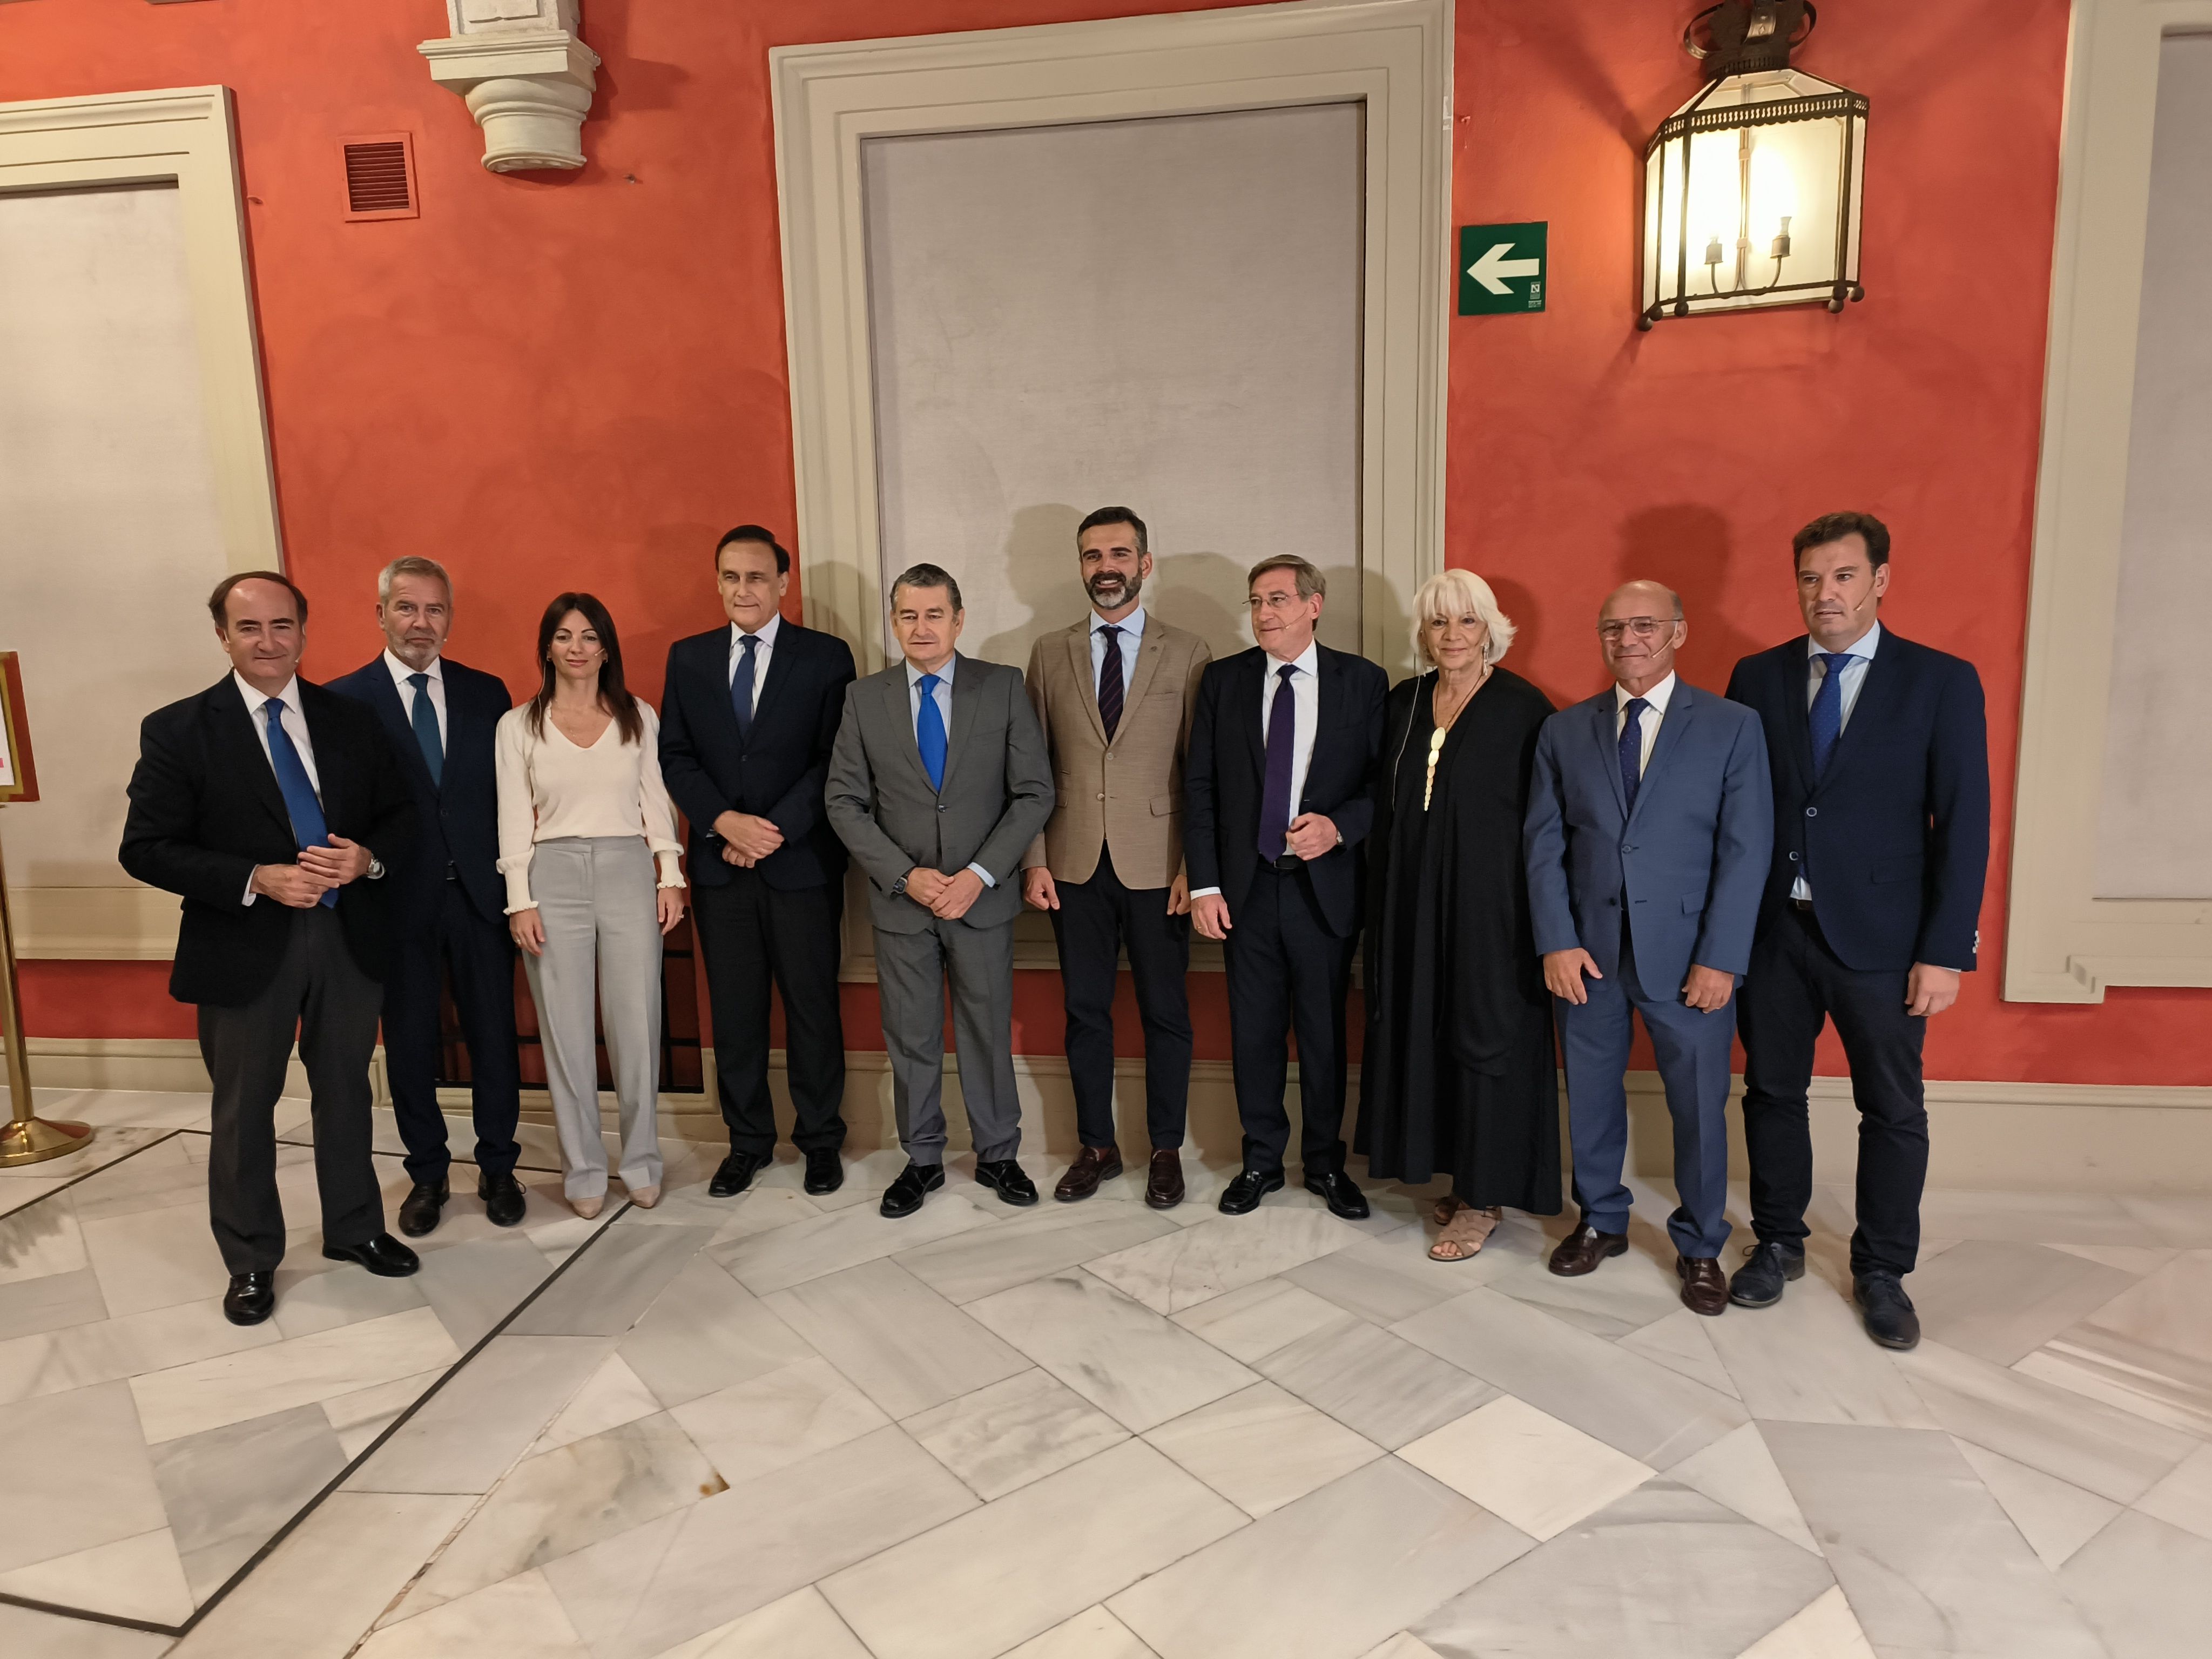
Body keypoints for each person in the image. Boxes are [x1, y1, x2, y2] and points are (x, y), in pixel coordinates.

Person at [120, 571, 420, 1327]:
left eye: (282, 625)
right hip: (244, 943)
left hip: (347, 937)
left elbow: (401, 816)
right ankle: (251, 1259)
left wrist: (368, 860)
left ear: (303, 633)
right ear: (222, 636)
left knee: (346, 1091)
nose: (267, 642)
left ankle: (354, 1228)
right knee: (245, 1108)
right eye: (249, 628)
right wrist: (254, 877)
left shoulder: (350, 719)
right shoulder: (179, 729)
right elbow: (145, 847)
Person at [1725, 511, 1990, 1350]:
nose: (1825, 593)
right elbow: (1736, 808)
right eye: (1810, 578)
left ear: (1880, 580)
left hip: (1884, 939)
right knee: (1772, 1092)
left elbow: (1966, 824)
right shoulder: (1757, 676)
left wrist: (1945, 951)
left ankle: (1882, 1271)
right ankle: (1778, 1243)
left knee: (1893, 1107)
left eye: (1843, 576)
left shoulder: (1940, 681)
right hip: (1775, 929)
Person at [1524, 580, 1771, 1316]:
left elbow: (1746, 850)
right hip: (1589, 956)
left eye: (1643, 625)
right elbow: (1542, 846)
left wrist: (1722, 957)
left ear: (1678, 633)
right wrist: (1556, 941)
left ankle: (1700, 1244)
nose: (1627, 639)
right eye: (1612, 628)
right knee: (1591, 1097)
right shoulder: (1563, 731)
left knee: (1698, 1107)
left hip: (1691, 958)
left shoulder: (1732, 727)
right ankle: (1601, 1219)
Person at [825, 564, 1055, 1218]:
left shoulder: (1001, 687)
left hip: (981, 900)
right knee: (911, 1035)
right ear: (893, 622)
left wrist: (979, 875)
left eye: (933, 615)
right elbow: (843, 802)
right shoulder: (863, 699)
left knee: (986, 1030)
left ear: (958, 620)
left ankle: (999, 1154)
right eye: (908, 615)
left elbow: (1034, 792)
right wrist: (906, 876)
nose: (920, 627)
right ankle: (922, 1159)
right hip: (903, 903)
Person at [1359, 569, 1560, 1260]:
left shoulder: (1523, 709)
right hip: (1410, 909)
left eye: (1466, 621)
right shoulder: (1405, 702)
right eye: (1439, 622)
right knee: (1425, 1031)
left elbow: (1548, 825)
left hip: (1492, 915)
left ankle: (1482, 1199)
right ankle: (1452, 1173)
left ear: (1489, 630)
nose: (1452, 635)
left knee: (1484, 1038)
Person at [328, 557, 525, 1237]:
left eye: (434, 610)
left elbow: (508, 796)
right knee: (410, 1043)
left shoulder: (486, 693)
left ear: (450, 619)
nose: (421, 623)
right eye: (407, 608)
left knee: (494, 1038)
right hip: (393, 900)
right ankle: (428, 1174)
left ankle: (499, 1166)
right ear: (380, 614)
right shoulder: (343, 701)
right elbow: (343, 808)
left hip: (479, 897)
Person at [1022, 507, 1211, 1208]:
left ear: (1144, 564)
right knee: (1085, 1011)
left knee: (1166, 1012)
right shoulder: (1049, 652)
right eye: (1093, 555)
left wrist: (1195, 868)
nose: (1106, 567)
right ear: (1081, 566)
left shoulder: (1187, 651)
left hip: (1160, 866)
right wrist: (1034, 859)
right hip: (1072, 865)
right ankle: (1096, 1147)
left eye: (1120, 554)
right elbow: (1033, 768)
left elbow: (1200, 773)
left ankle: (1166, 1149)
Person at [1186, 555, 1386, 1219]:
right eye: (1255, 601)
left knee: (1325, 1035)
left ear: (1313, 605)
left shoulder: (1362, 682)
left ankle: (1325, 1164)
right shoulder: (1224, 681)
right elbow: (1200, 787)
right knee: (1255, 1034)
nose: (1263, 613)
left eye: (1276, 599)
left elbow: (1379, 786)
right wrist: (1204, 885)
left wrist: (1339, 827)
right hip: (1245, 890)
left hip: (1323, 889)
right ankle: (1260, 1162)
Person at [660, 525, 857, 1201]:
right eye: (731, 576)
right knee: (736, 1016)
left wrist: (772, 831)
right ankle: (747, 1143)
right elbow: (675, 755)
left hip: (800, 864)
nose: (742, 589)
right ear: (717, 582)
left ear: (782, 583)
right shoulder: (688, 658)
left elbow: (835, 758)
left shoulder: (826, 657)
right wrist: (722, 822)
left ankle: (820, 1140)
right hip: (720, 869)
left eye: (756, 577)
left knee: (812, 1009)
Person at [496, 594, 686, 1218]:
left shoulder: (638, 717)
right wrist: (519, 900)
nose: (576, 648)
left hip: (628, 868)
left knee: (637, 1025)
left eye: (588, 636)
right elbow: (512, 817)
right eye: (563, 636)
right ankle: (581, 1169)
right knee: (566, 1031)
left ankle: (642, 1162)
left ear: (606, 649)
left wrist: (670, 876)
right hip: (551, 874)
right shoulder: (518, 726)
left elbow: (656, 801)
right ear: (547, 648)